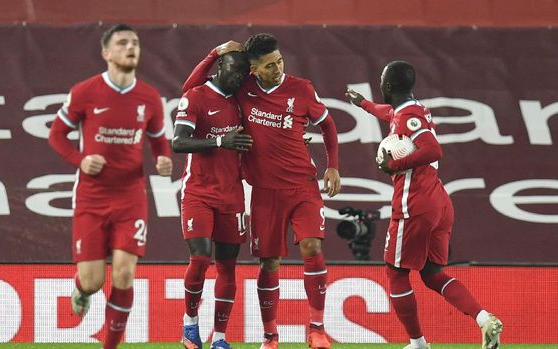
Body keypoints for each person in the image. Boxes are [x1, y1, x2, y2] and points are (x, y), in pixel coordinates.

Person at [183, 34, 341, 349]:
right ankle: (270, 336)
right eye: (270, 65)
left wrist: (332, 166)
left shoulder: (302, 88)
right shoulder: (242, 91)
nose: (278, 69)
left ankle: (317, 329)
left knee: (311, 246)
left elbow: (328, 125)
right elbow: (191, 89)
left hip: (303, 186)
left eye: (280, 61)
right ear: (253, 70)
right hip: (265, 192)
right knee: (269, 264)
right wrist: (215, 52)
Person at [346, 61, 503, 349]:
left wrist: (394, 164)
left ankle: (418, 344)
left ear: (389, 87)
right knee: (432, 274)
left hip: (414, 204)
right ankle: (484, 319)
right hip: (438, 201)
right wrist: (363, 104)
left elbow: (433, 149)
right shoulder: (409, 110)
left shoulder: (409, 117)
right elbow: (389, 113)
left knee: (395, 273)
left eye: (382, 83)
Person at [48, 24, 173, 349]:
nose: (131, 47)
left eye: (135, 42)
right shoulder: (84, 92)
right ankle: (81, 290)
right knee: (92, 281)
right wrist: (81, 160)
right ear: (106, 53)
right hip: (91, 196)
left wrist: (163, 160)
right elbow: (56, 135)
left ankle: (110, 346)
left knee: (124, 275)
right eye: (122, 43)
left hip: (131, 197)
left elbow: (159, 141)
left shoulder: (150, 97)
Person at [173, 50, 252, 349]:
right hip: (199, 191)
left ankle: (220, 337)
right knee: (201, 256)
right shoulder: (195, 96)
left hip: (232, 193)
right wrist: (220, 140)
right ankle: (190, 325)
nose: (238, 78)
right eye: (233, 71)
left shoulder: (242, 98)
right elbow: (178, 142)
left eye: (243, 74)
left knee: (228, 266)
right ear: (221, 66)